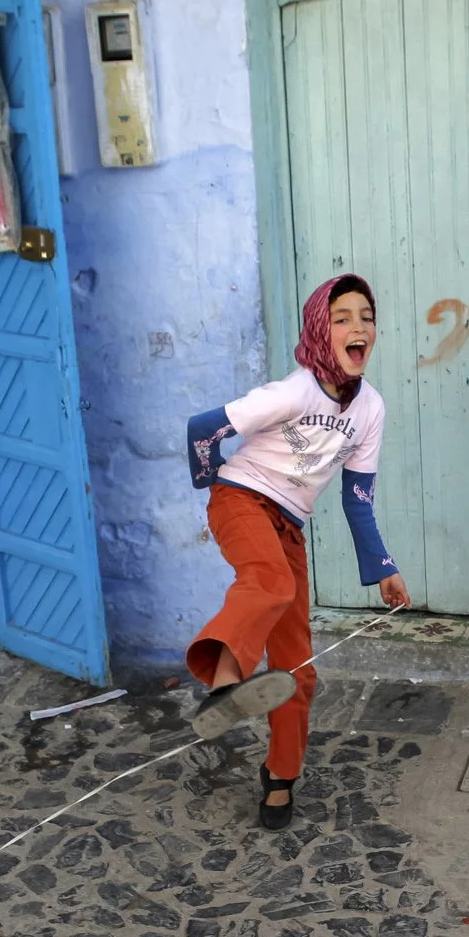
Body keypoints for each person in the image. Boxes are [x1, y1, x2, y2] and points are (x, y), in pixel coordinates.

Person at [183, 273, 411, 828]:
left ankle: (280, 777)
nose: (358, 327)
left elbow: (358, 502)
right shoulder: (294, 390)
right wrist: (212, 484)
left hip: (288, 526)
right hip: (240, 500)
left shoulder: (370, 410)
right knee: (268, 583)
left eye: (366, 316)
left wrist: (384, 569)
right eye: (342, 318)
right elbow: (203, 429)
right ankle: (222, 684)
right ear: (318, 329)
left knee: (297, 669)